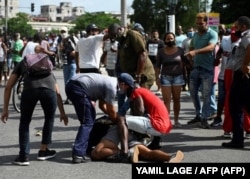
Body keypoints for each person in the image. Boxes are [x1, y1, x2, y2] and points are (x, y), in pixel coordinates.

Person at [1, 44, 68, 166]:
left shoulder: (23, 62)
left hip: (29, 91)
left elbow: (8, 86)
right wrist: (62, 112)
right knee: (49, 118)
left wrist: (5, 109)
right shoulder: (46, 62)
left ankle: (23, 156)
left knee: (25, 122)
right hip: (49, 91)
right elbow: (57, 91)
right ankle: (43, 151)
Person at [107, 73, 172, 162]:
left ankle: (124, 153)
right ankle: (154, 142)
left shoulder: (137, 92)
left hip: (158, 125)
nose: (118, 87)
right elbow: (125, 110)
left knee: (122, 120)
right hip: (164, 125)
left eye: (119, 84)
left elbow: (139, 112)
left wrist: (121, 97)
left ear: (123, 84)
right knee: (128, 119)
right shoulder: (142, 91)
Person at [65, 73, 127, 164]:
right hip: (77, 87)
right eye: (127, 88)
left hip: (73, 85)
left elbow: (102, 106)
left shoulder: (109, 82)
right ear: (122, 84)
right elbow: (111, 110)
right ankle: (78, 154)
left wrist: (111, 116)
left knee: (90, 118)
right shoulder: (112, 87)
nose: (125, 91)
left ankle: (85, 147)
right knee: (87, 122)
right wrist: (117, 121)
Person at [185, 12, 219, 129]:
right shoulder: (195, 35)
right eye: (197, 23)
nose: (199, 25)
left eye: (201, 23)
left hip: (207, 69)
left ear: (206, 23)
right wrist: (190, 57)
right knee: (193, 93)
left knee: (206, 95)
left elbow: (211, 47)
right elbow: (191, 46)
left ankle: (204, 118)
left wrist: (196, 52)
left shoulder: (212, 33)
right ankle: (198, 114)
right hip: (195, 68)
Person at [222, 16, 250, 149]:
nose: (234, 30)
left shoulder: (246, 36)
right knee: (238, 107)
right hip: (240, 76)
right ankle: (237, 139)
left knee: (236, 107)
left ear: (243, 27)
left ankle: (238, 140)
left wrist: (245, 64)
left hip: (243, 77)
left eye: (237, 27)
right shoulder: (243, 37)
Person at [91, 125, 184, 163]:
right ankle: (170, 157)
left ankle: (127, 153)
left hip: (116, 128)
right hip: (129, 131)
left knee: (96, 152)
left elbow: (96, 152)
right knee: (147, 153)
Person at [155, 32, 186, 128]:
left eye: (171, 38)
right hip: (165, 77)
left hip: (178, 77)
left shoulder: (180, 50)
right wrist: (157, 78)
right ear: (164, 40)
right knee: (166, 100)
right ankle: (167, 121)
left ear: (175, 39)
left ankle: (176, 120)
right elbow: (157, 66)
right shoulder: (161, 52)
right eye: (168, 39)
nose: (170, 40)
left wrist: (185, 76)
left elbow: (184, 64)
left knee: (177, 99)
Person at [60, 27, 79, 104]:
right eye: (61, 31)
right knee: (66, 83)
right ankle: (69, 98)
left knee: (70, 82)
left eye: (64, 31)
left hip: (73, 63)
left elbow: (77, 50)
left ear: (67, 31)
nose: (63, 33)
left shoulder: (71, 39)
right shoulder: (61, 41)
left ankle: (72, 98)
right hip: (65, 64)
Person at [146, 29, 165, 95]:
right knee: (150, 75)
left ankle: (159, 88)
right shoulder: (148, 42)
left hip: (158, 61)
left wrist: (159, 55)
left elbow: (164, 50)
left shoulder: (161, 42)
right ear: (151, 35)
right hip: (150, 61)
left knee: (158, 75)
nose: (154, 36)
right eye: (153, 34)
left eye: (156, 34)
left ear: (158, 35)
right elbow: (146, 50)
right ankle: (148, 89)